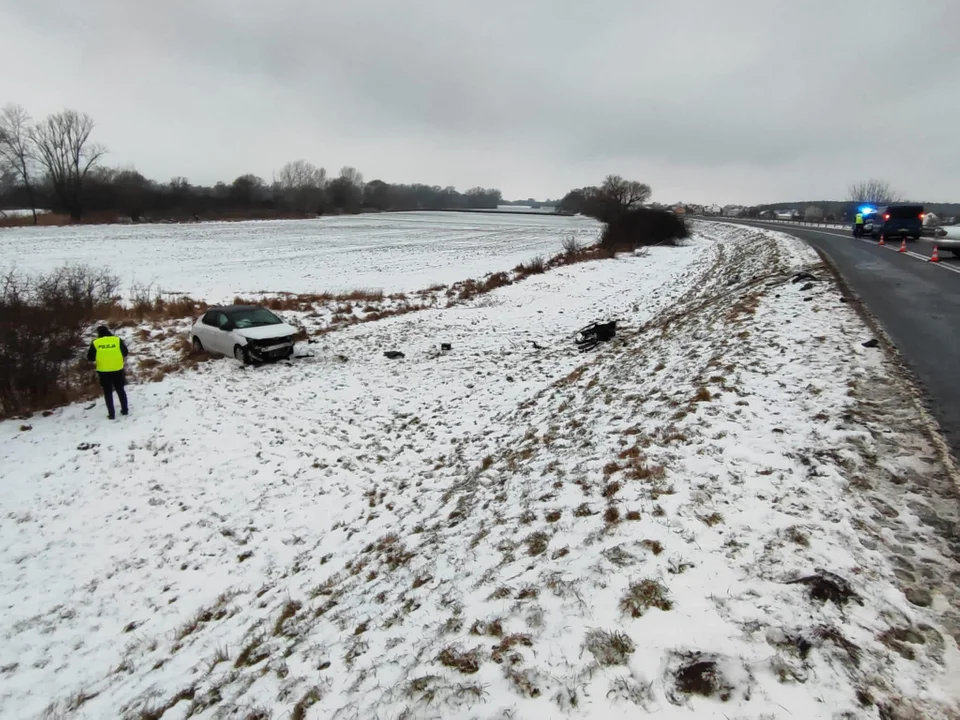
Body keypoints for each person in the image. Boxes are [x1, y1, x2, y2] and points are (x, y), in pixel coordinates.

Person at [86, 326, 130, 419]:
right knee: (120, 390)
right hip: (117, 369)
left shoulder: (96, 343)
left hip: (103, 371)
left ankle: (111, 414)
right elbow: (125, 352)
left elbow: (90, 357)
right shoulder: (117, 340)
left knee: (108, 392)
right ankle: (125, 410)